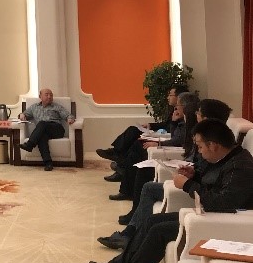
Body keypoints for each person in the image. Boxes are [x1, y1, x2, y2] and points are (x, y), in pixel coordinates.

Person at [79, 119, 253, 263]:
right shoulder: (222, 158)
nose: (199, 152)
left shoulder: (240, 167)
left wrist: (187, 184)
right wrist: (194, 176)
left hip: (223, 224)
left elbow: (223, 202)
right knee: (151, 221)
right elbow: (213, 184)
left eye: (200, 147)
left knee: (159, 231)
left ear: (213, 145)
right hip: (207, 215)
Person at [97, 98, 232, 250]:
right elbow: (201, 167)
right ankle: (130, 229)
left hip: (197, 194)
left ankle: (130, 233)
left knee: (145, 174)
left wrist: (189, 181)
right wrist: (193, 173)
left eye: (198, 113)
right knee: (148, 185)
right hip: (192, 179)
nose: (196, 115)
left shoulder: (220, 148)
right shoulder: (208, 138)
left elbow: (216, 191)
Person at [107, 92, 197, 201]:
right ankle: (122, 168)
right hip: (170, 146)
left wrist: (159, 143)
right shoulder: (180, 118)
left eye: (178, 105)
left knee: (137, 153)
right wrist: (174, 122)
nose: (176, 108)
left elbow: (178, 139)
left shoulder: (190, 122)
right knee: (136, 146)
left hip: (175, 153)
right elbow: (174, 135)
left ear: (185, 107)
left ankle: (122, 169)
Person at [98, 85, 189, 182]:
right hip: (162, 135)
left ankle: (120, 163)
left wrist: (160, 141)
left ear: (179, 97)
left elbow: (174, 135)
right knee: (133, 130)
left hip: (164, 137)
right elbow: (166, 124)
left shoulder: (183, 115)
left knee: (136, 142)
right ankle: (118, 156)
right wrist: (150, 125)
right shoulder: (174, 110)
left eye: (170, 95)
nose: (168, 97)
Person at [18, 88, 75, 171]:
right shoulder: (34, 107)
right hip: (43, 130)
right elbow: (24, 114)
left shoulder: (56, 106)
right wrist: (21, 114)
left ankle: (30, 144)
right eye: (47, 94)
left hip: (57, 129)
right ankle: (48, 163)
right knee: (42, 137)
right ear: (40, 96)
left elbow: (68, 115)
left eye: (51, 95)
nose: (49, 97)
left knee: (42, 123)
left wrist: (70, 119)